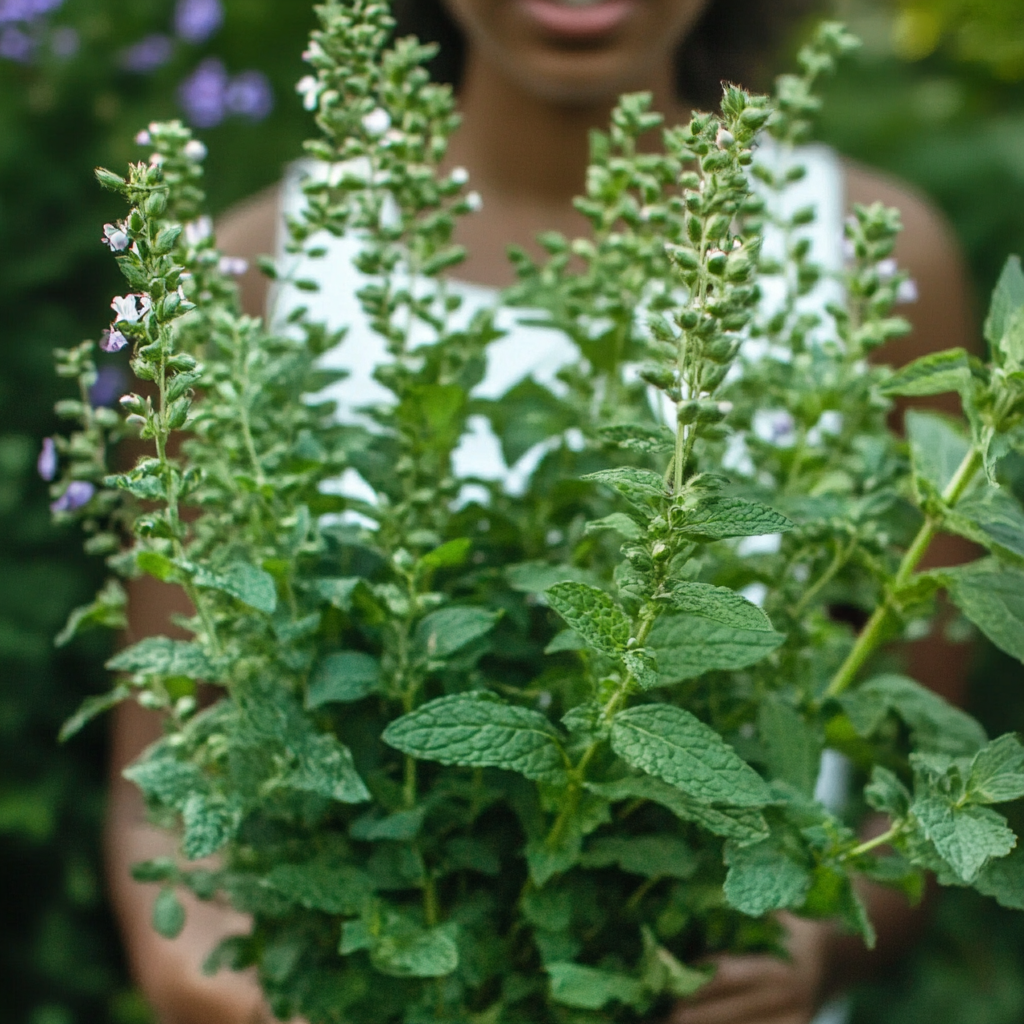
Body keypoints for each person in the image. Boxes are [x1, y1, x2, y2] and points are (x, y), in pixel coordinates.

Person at [106, 0, 978, 1022]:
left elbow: (935, 775)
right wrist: (208, 977)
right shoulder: (245, 274)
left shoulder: (874, 258)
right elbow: (154, 785)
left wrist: (814, 939)